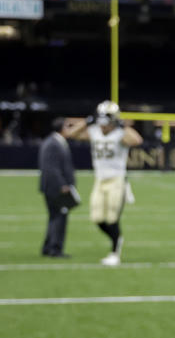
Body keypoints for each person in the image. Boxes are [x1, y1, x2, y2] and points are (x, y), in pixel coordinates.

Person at [65, 101, 143, 266]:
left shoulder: (121, 133)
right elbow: (71, 133)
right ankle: (117, 238)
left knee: (112, 217)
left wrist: (121, 124)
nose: (103, 126)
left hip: (116, 180)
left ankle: (115, 252)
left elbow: (137, 140)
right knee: (97, 218)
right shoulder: (94, 131)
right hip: (100, 180)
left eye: (106, 122)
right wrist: (87, 121)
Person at [38, 117, 77, 258]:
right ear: (61, 128)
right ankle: (55, 248)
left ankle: (48, 247)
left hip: (53, 186)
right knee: (60, 217)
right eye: (68, 127)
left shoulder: (53, 141)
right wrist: (62, 185)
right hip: (56, 188)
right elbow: (51, 168)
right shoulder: (54, 143)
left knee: (55, 216)